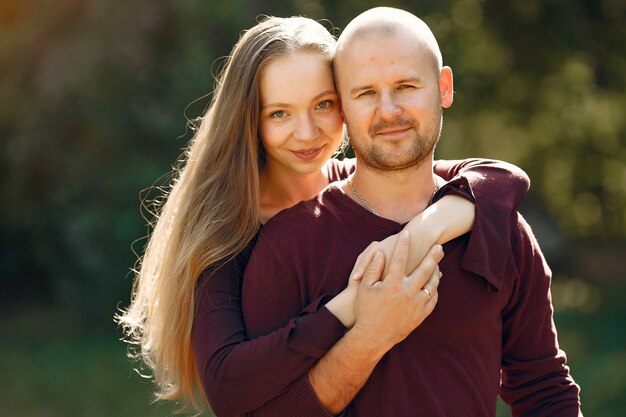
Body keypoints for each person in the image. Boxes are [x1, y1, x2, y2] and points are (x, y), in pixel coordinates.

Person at [116, 15, 531, 417]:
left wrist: (428, 228)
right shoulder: (230, 232)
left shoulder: (361, 183)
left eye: (323, 104)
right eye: (279, 113)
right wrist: (352, 307)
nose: (308, 132)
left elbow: (500, 178)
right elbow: (227, 385)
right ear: (249, 122)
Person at [241, 8, 582, 417]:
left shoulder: (500, 231)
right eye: (365, 92)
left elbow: (544, 391)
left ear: (444, 88)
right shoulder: (287, 246)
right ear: (342, 108)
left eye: (405, 86)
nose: (388, 111)